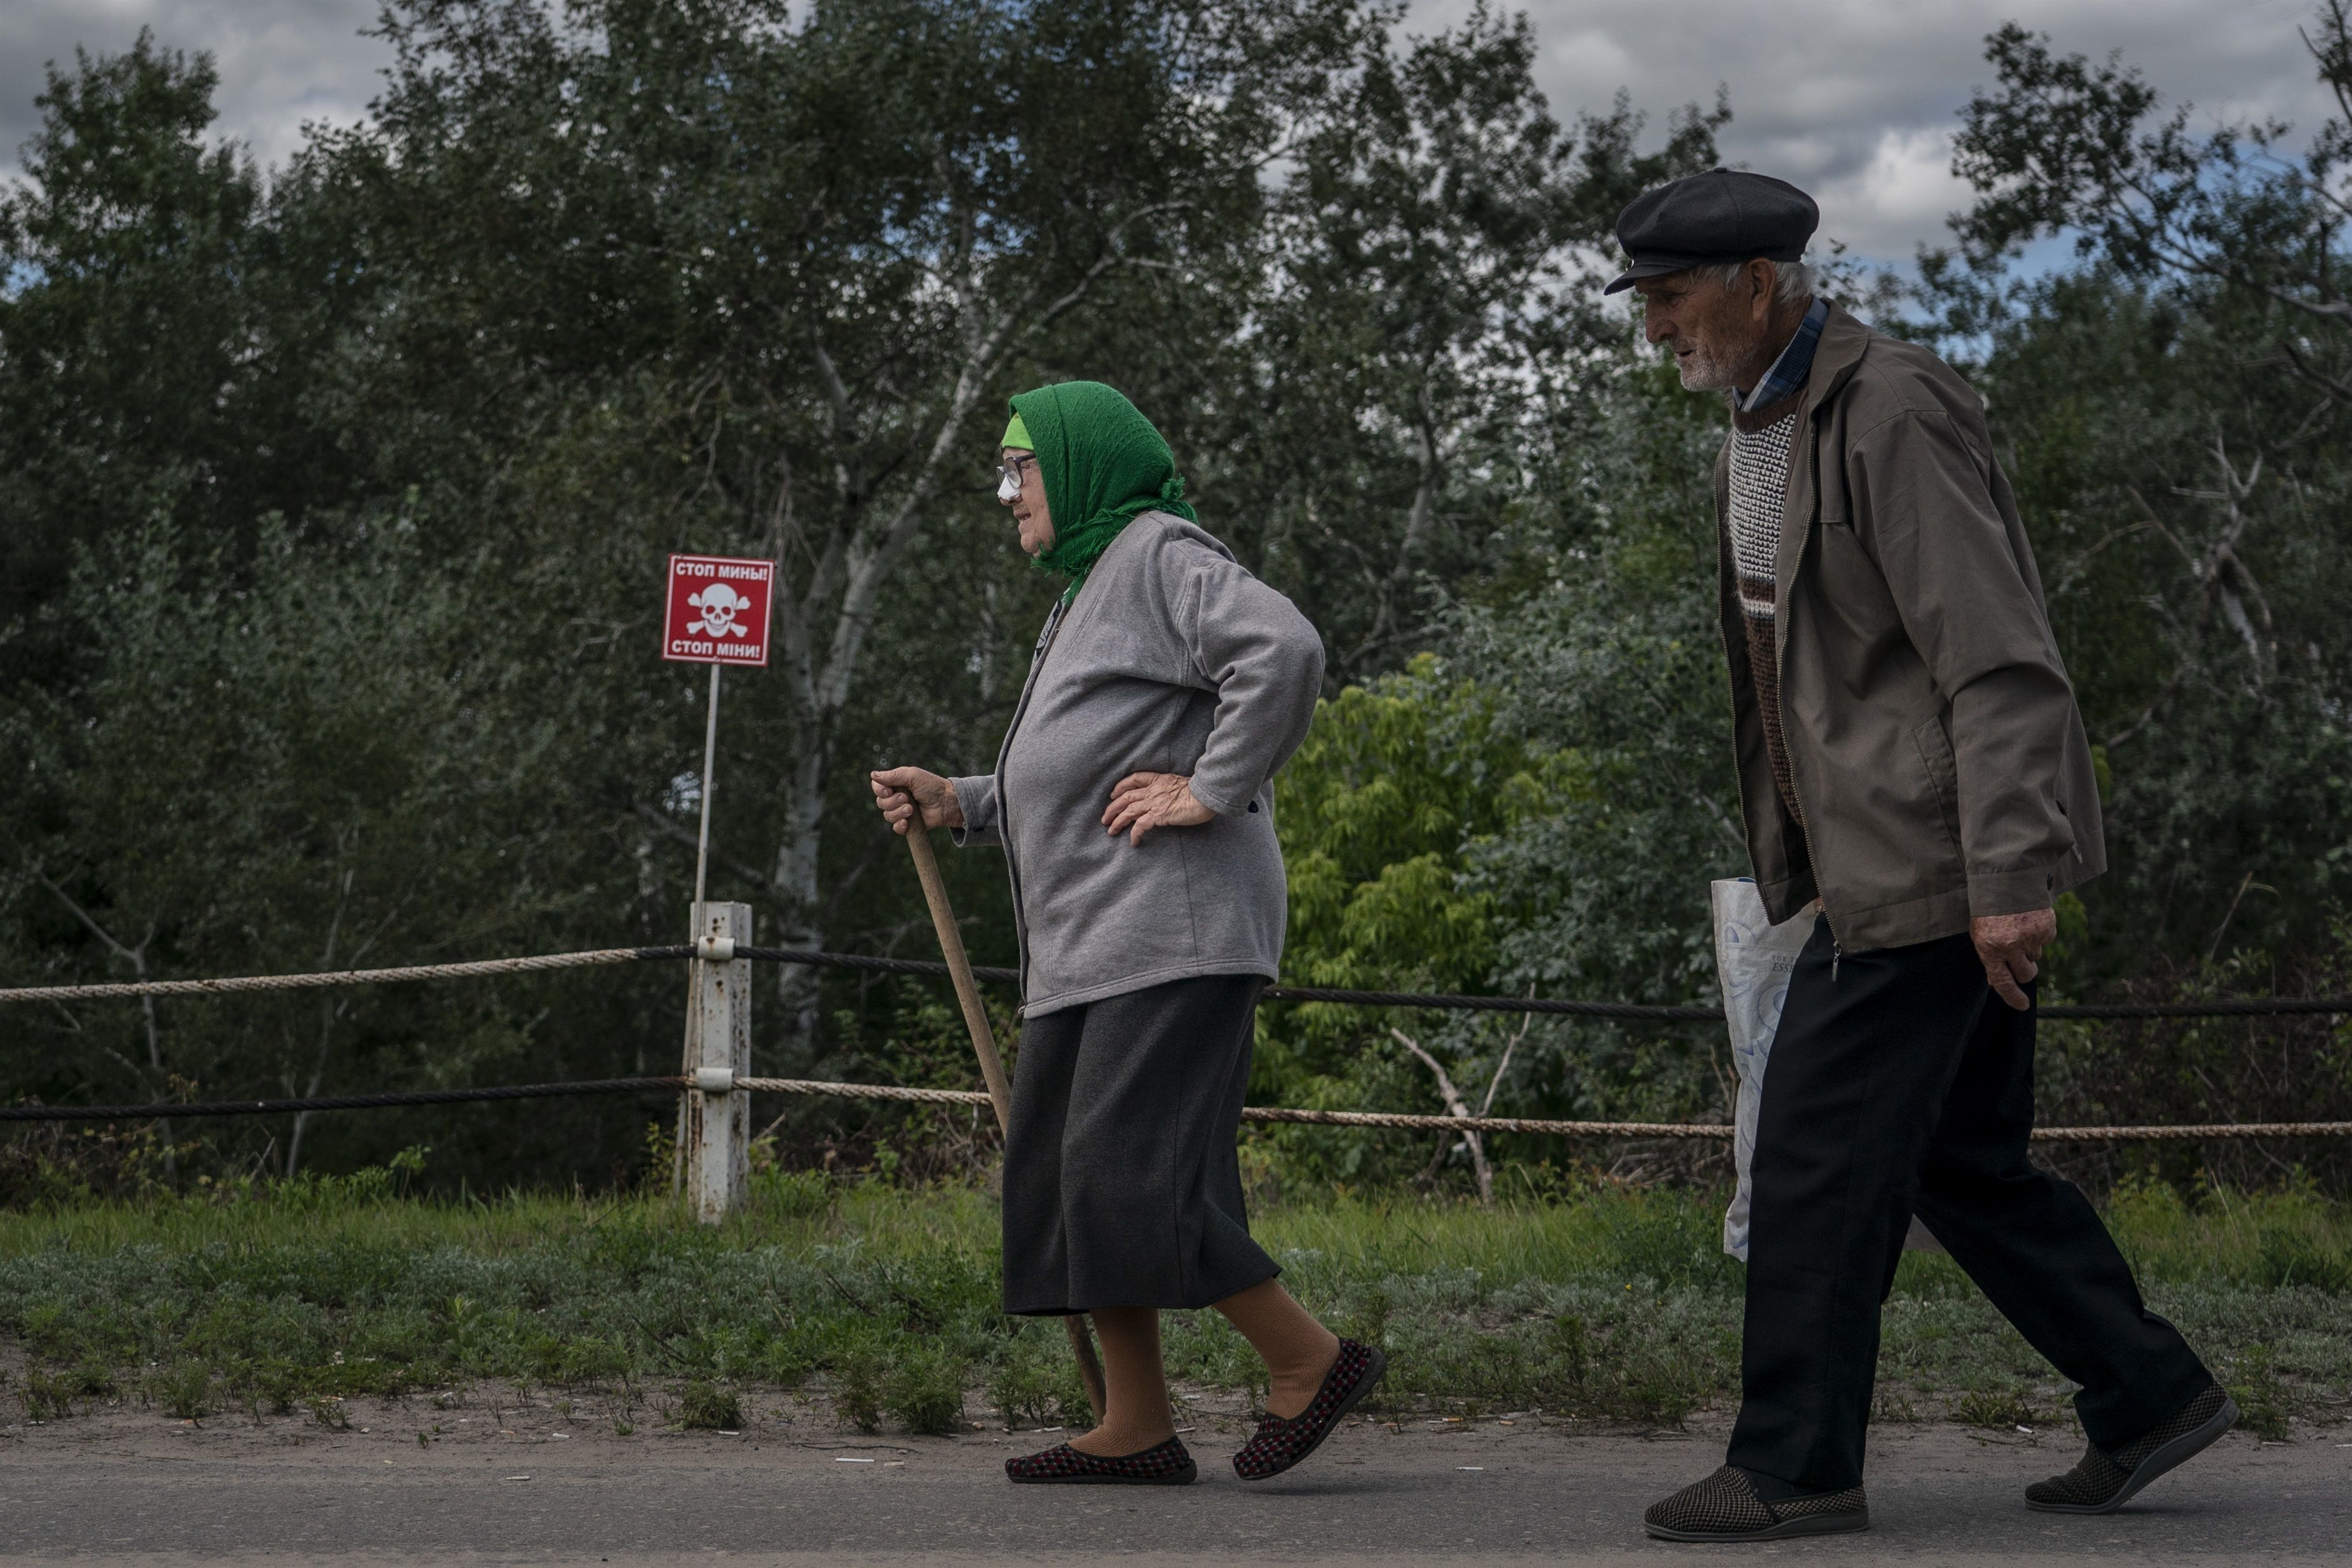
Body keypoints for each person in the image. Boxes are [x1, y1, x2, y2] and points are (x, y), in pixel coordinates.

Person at [1610, 170, 2232, 1543]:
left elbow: (1995, 656)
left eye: (1666, 298)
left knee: (1811, 1162)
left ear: (1759, 281)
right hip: (1869, 863)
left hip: (1934, 869)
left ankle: (1791, 1463)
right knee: (1961, 1162)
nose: (1652, 327)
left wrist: (2006, 876)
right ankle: (2146, 1391)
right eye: (1645, 301)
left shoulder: (1886, 406)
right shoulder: (1757, 421)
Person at [869, 380, 1383, 1486]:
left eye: (1022, 468)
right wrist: (967, 800)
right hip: (1091, 944)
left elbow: (1284, 649)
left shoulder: (1157, 551)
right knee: (1063, 1177)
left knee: (1127, 1175)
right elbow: (1080, 769)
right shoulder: (1087, 587)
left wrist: (1211, 788)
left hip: (1173, 930)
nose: (1006, 493)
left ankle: (1310, 1361)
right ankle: (1136, 1422)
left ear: (1082, 459)